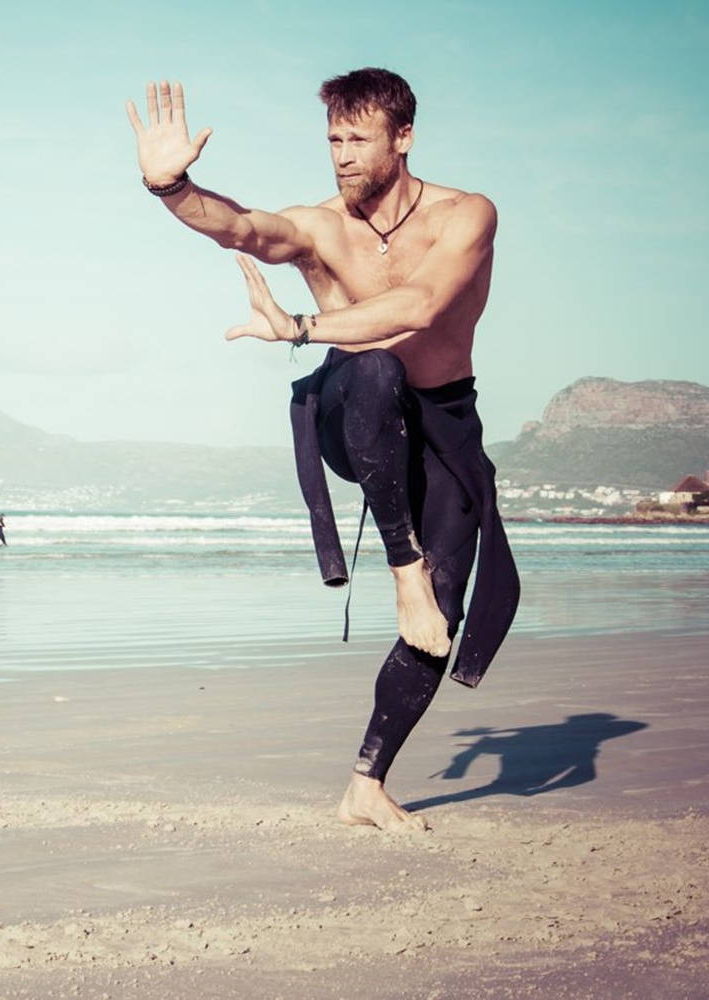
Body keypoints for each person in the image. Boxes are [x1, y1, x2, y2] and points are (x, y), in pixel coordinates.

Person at [126, 69, 518, 832]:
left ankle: (365, 785)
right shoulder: (322, 226)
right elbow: (245, 228)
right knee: (373, 366)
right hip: (355, 409)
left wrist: (299, 327)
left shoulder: (466, 215)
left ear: (404, 138)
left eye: (357, 138)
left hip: (443, 421)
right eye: (332, 138)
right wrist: (171, 188)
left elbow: (422, 306)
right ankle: (404, 567)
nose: (340, 155)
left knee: (440, 617)